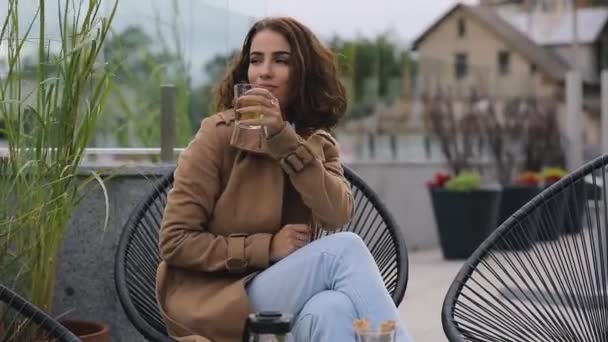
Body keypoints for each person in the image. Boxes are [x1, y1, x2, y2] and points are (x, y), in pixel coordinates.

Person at [156, 16, 411, 342]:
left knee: (332, 308)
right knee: (344, 250)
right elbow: (175, 242)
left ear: (303, 72)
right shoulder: (216, 136)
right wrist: (266, 247)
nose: (264, 71)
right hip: (216, 299)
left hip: (285, 293)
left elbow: (337, 215)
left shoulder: (317, 142)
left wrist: (283, 139)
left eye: (281, 60)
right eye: (255, 60)